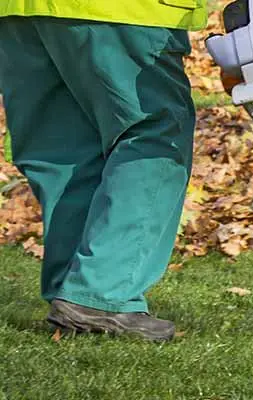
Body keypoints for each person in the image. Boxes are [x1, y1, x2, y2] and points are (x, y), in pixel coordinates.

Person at [0, 1, 208, 342]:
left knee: (63, 147)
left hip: (20, 12)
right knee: (154, 133)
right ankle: (102, 295)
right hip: (123, 11)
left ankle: (74, 293)